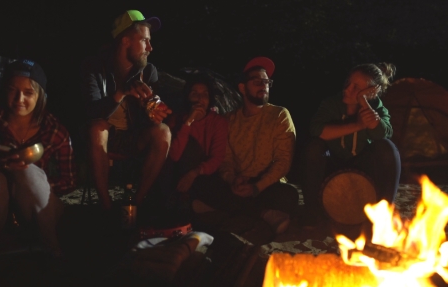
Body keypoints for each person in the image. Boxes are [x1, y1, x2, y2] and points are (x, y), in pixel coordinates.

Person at [0, 59, 76, 277]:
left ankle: (53, 252)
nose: (19, 99)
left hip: (36, 213)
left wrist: (27, 181)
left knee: (28, 172)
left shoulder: (54, 131)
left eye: (28, 92)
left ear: (40, 95)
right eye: (12, 90)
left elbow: (69, 182)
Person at [191, 57, 298, 234]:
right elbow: (225, 159)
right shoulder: (229, 120)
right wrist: (232, 179)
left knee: (289, 195)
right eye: (257, 81)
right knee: (202, 184)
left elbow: (283, 162)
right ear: (242, 88)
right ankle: (263, 213)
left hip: (267, 185)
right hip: (238, 183)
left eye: (266, 82)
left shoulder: (279, 115)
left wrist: (256, 187)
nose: (263, 85)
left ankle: (230, 208)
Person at [80, 9, 172, 212]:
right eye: (144, 41)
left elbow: (150, 112)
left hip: (133, 137)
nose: (150, 47)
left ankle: (136, 204)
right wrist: (121, 92)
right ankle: (107, 208)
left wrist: (152, 110)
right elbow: (91, 112)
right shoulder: (94, 67)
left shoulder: (148, 71)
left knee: (163, 131)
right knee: (97, 127)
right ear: (125, 41)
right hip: (105, 139)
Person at [301, 62, 401, 222]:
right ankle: (312, 210)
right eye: (348, 83)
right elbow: (317, 130)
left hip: (361, 162)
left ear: (371, 93)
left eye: (356, 88)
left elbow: (384, 133)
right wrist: (358, 125)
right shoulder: (332, 104)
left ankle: (385, 212)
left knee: (386, 147)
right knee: (315, 147)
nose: (347, 89)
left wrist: (363, 102)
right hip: (331, 159)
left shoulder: (376, 107)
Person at [163, 72, 229, 213]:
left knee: (219, 187)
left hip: (202, 174)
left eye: (204, 94)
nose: (200, 99)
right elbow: (174, 156)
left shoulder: (218, 122)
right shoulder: (177, 120)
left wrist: (194, 173)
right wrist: (188, 123)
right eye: (194, 94)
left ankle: (189, 204)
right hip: (178, 172)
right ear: (187, 97)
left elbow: (216, 158)